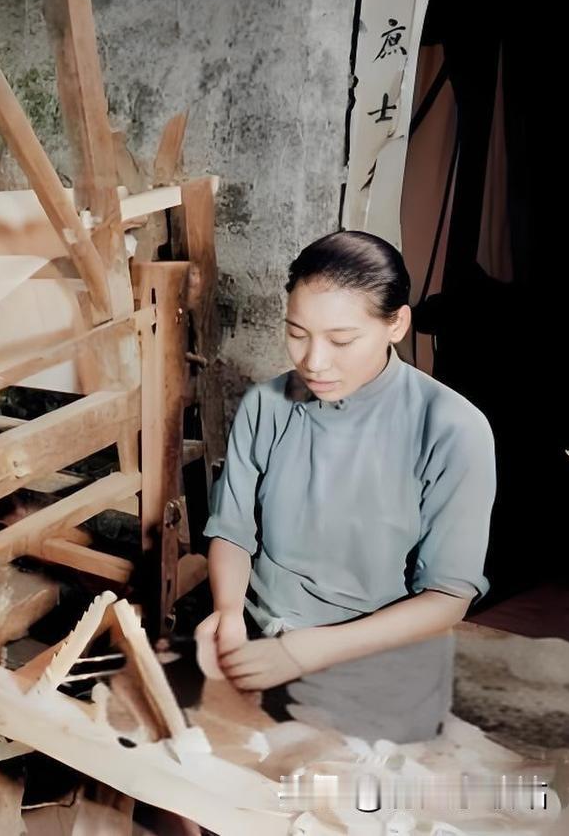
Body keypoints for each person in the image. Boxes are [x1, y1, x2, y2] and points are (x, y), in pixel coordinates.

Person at [196, 230, 494, 743]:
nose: (313, 361)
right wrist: (227, 613)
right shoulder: (266, 405)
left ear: (396, 323)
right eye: (296, 333)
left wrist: (301, 652)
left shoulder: (451, 427)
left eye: (340, 340)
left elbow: (448, 596)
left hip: (375, 667)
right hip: (257, 645)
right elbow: (233, 529)